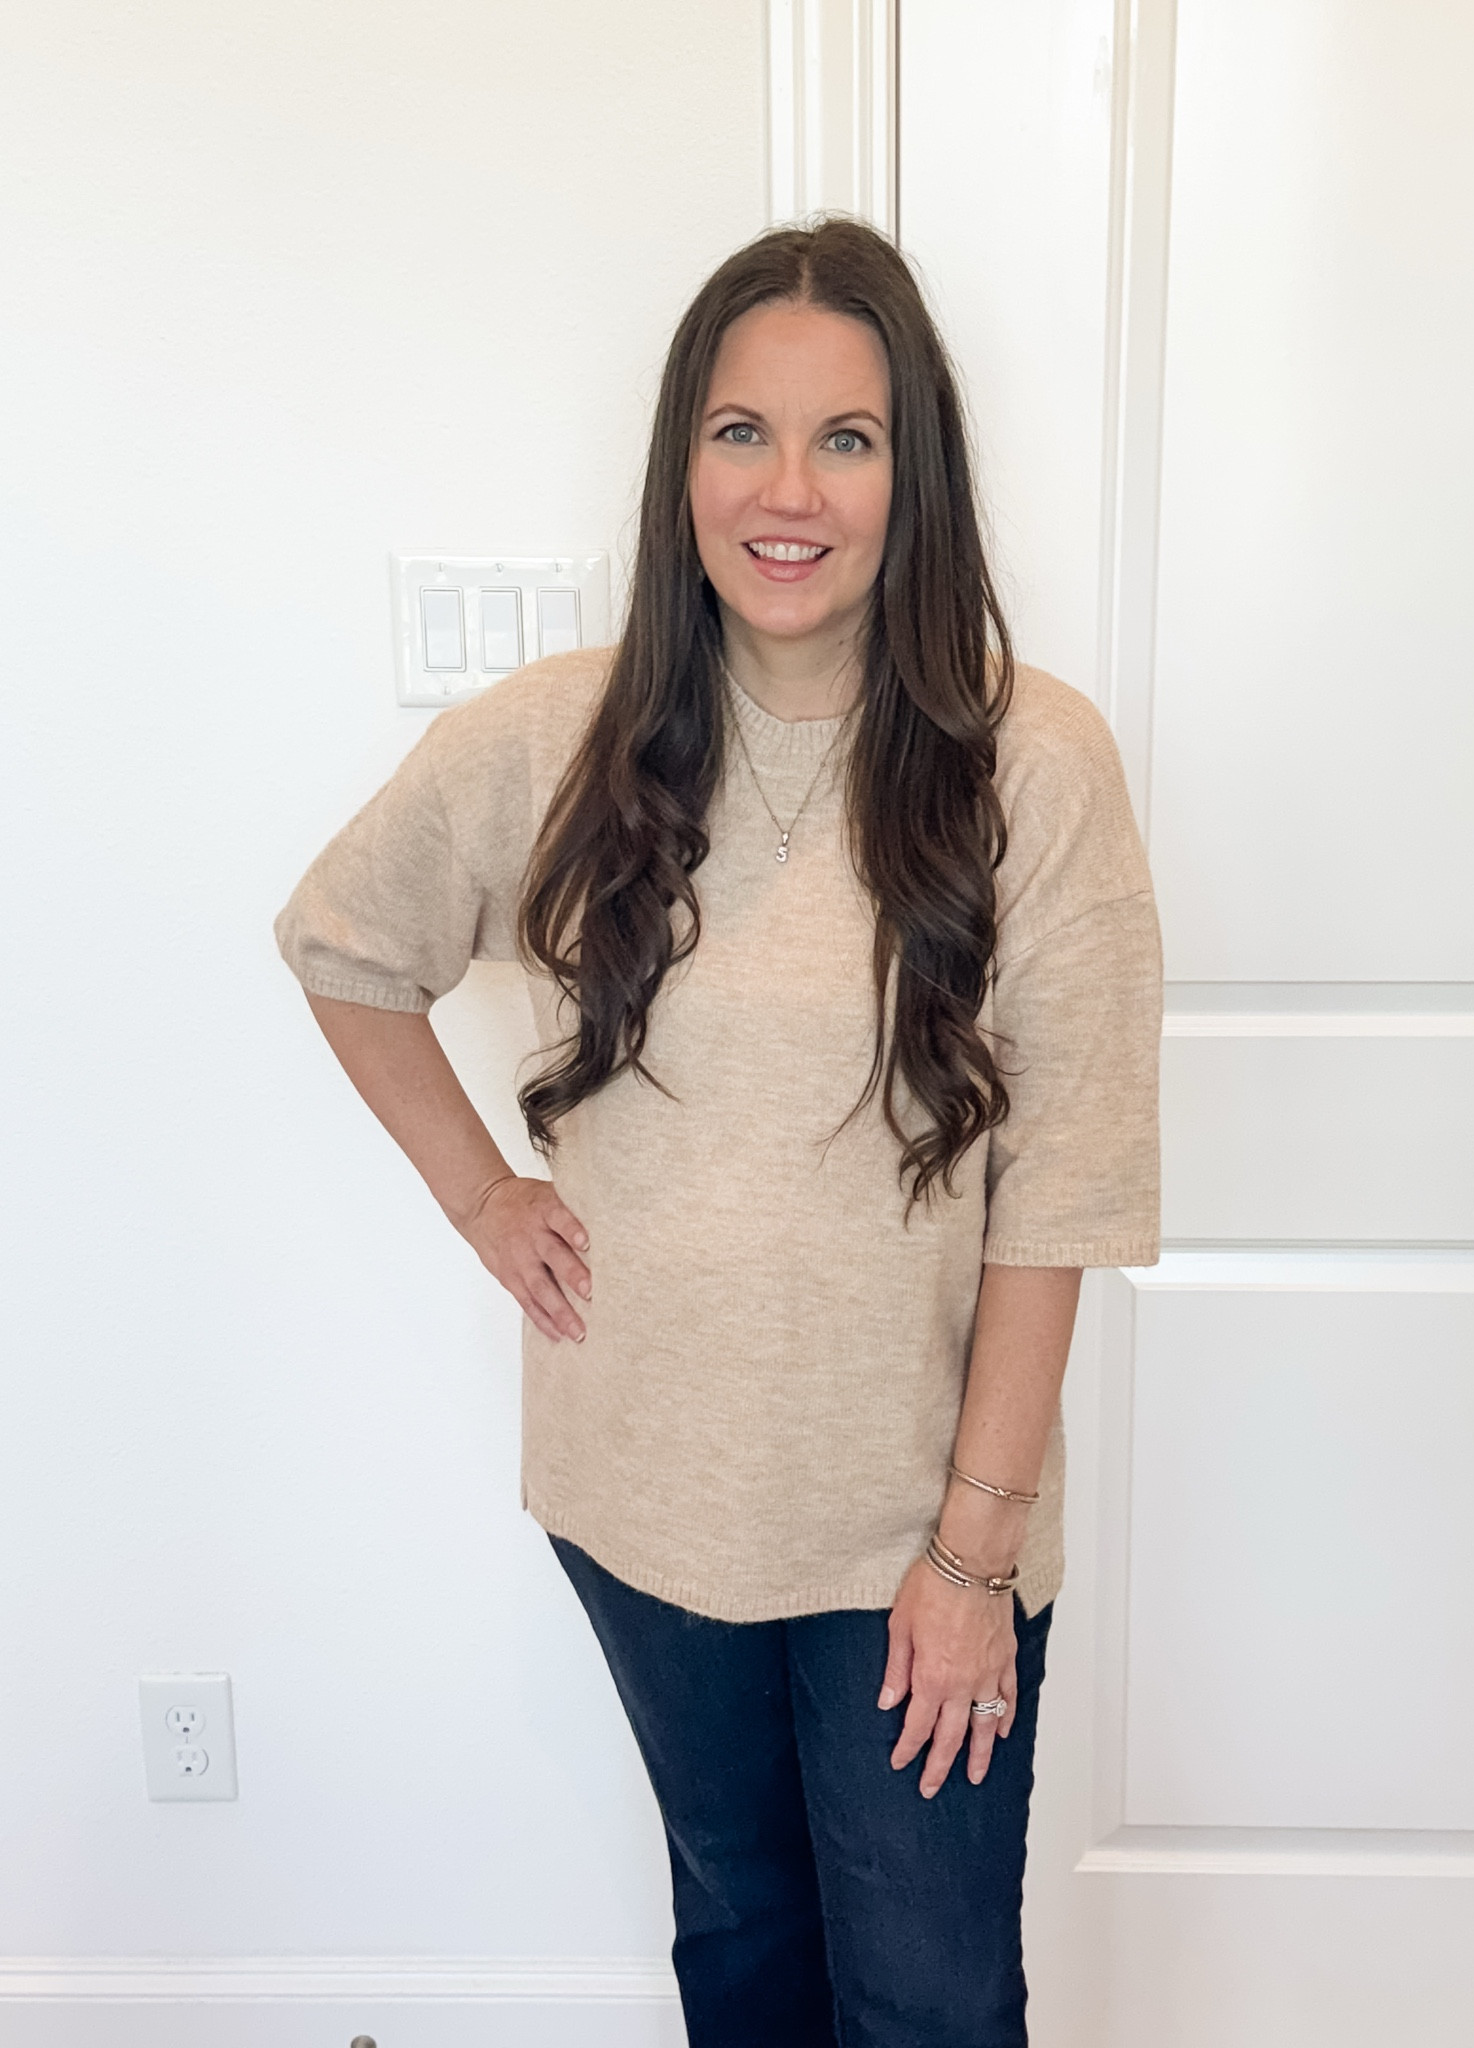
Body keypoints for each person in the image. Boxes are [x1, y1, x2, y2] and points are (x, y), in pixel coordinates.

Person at [274, 216, 1160, 2046]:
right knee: (744, 1955)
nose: (789, 491)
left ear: (915, 478)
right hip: (644, 1497)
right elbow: (344, 947)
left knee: (928, 1999)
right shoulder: (555, 740)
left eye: (849, 439)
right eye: (742, 431)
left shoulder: (1034, 761)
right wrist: (480, 1197)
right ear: (683, 459)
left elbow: (1065, 1183)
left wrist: (974, 1556)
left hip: (918, 1529)